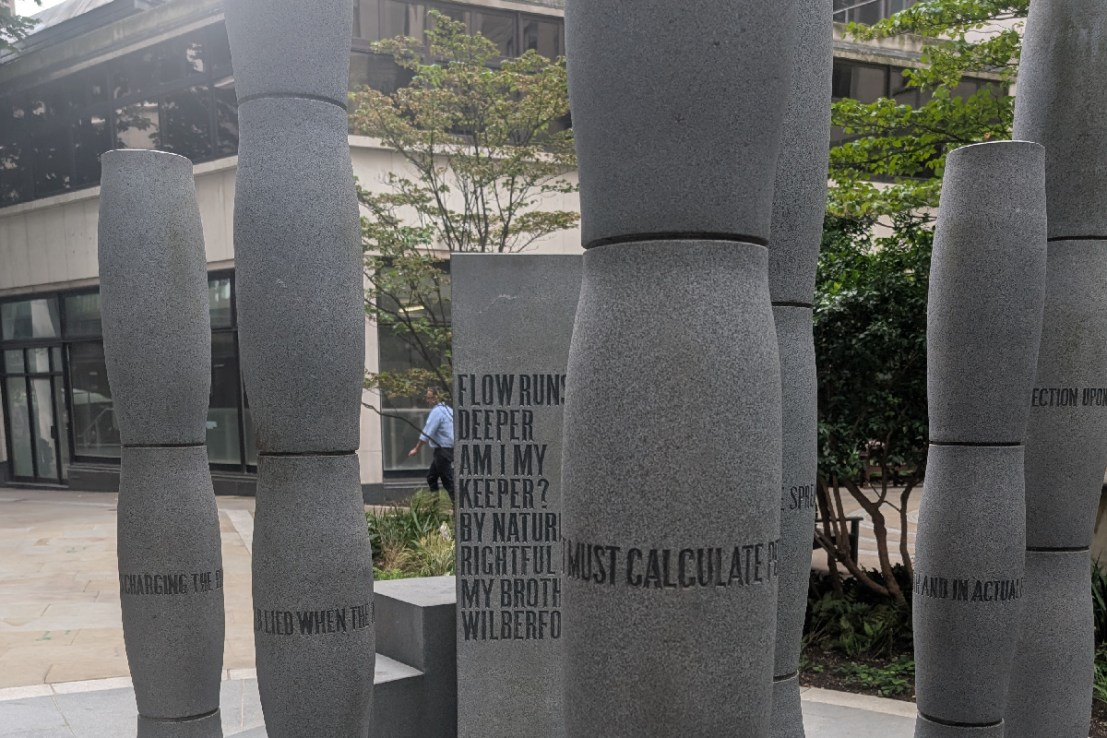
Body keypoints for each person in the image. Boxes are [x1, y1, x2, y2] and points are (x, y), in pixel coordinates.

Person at [408, 386, 455, 502]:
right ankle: (435, 504)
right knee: (431, 477)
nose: (427, 400)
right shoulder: (449, 410)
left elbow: (427, 432)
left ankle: (458, 505)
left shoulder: (437, 412)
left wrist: (416, 449)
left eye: (430, 398)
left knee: (447, 480)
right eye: (427, 397)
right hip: (447, 449)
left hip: (442, 450)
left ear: (436, 398)